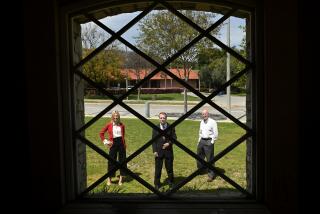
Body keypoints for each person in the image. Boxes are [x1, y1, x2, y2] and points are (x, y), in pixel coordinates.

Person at [99, 110, 127, 186]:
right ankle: (109, 179)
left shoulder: (122, 125)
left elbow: (123, 135)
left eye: (117, 117)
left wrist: (124, 144)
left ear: (119, 117)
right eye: (114, 117)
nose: (115, 118)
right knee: (111, 161)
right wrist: (106, 141)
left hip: (121, 143)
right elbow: (101, 133)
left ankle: (120, 180)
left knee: (122, 161)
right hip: (113, 143)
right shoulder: (109, 125)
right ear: (112, 117)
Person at [152, 112, 177, 190]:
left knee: (169, 169)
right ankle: (157, 183)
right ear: (159, 118)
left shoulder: (171, 127)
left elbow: (175, 138)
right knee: (158, 169)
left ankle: (171, 183)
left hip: (168, 151)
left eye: (164, 118)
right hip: (158, 151)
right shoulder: (155, 127)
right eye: (161, 118)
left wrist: (169, 143)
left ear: (166, 118)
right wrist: (154, 151)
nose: (162, 119)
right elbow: (153, 140)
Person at [197, 108, 218, 182]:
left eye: (205, 114)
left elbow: (215, 133)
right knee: (199, 156)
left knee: (210, 159)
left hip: (209, 141)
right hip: (202, 140)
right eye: (203, 114)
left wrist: (212, 141)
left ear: (208, 114)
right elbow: (200, 132)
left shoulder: (213, 122)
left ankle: (211, 175)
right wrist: (199, 141)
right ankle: (201, 170)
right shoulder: (201, 122)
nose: (204, 115)